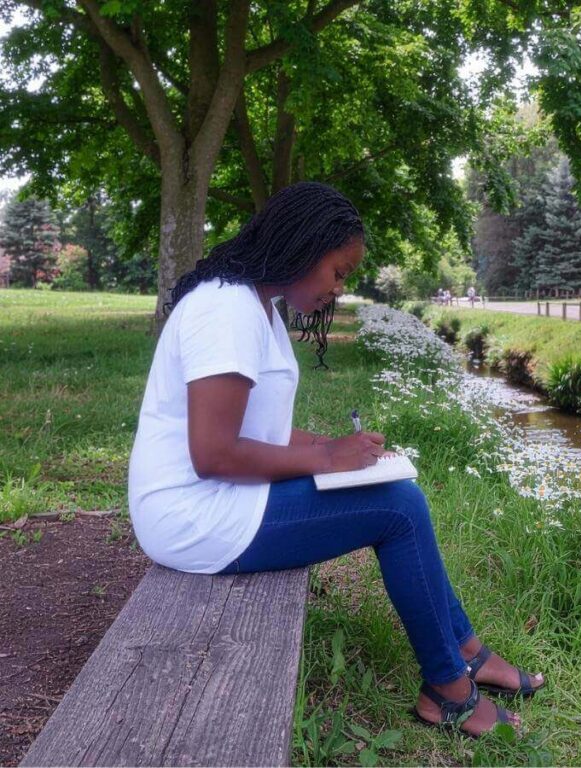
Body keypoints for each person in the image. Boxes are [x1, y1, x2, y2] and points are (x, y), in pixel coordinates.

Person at [127, 182, 543, 737]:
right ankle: (448, 688)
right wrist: (325, 458)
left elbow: (258, 429)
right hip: (192, 517)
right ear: (302, 247)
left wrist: (334, 448)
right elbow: (213, 453)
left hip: (223, 499)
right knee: (398, 508)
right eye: (339, 271)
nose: (340, 290)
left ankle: (466, 653)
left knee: (400, 500)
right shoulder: (224, 311)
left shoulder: (256, 304)